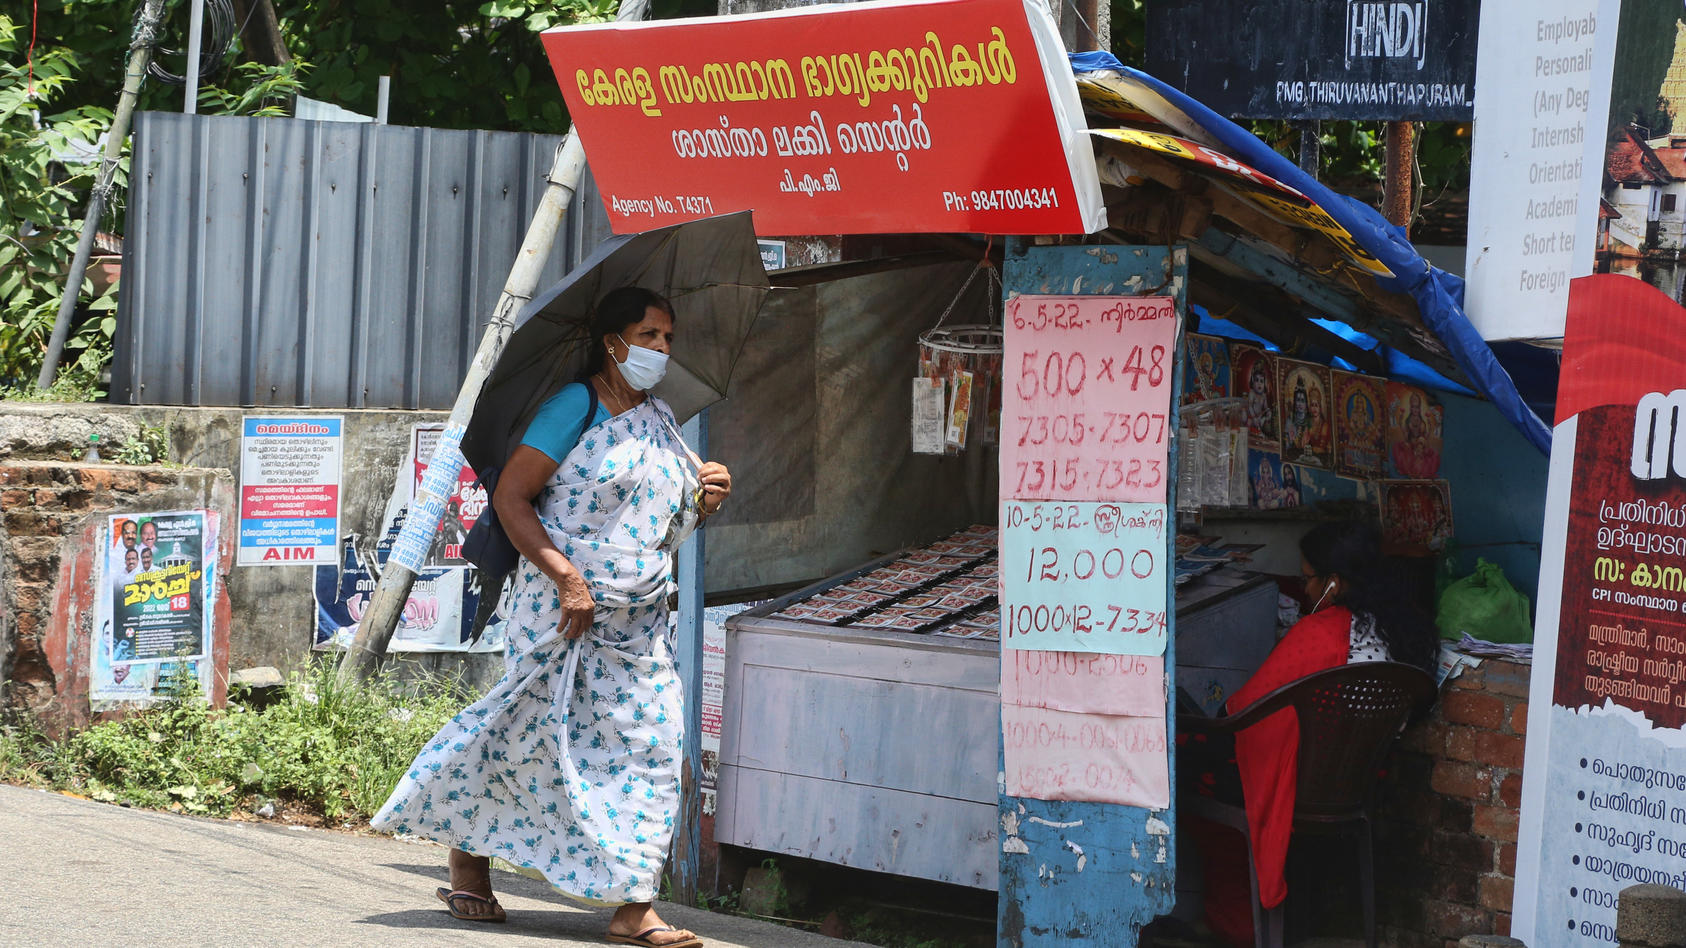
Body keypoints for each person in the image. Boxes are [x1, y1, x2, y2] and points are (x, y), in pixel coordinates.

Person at [372, 287, 731, 948]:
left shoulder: (660, 418)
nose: (660, 350)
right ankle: (468, 854)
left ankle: (633, 905)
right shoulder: (575, 406)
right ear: (612, 342)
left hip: (636, 618)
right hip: (562, 607)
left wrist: (702, 501)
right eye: (648, 336)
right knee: (528, 732)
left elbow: (658, 529)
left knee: (652, 746)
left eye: (668, 339)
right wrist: (566, 576)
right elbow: (513, 497)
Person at [1184, 520, 1436, 946]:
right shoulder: (1406, 632)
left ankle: (1233, 922)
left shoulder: (1317, 633)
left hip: (1301, 786)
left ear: (1333, 583)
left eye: (1307, 578)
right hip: (1358, 783)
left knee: (1190, 763)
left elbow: (1239, 709)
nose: (1303, 589)